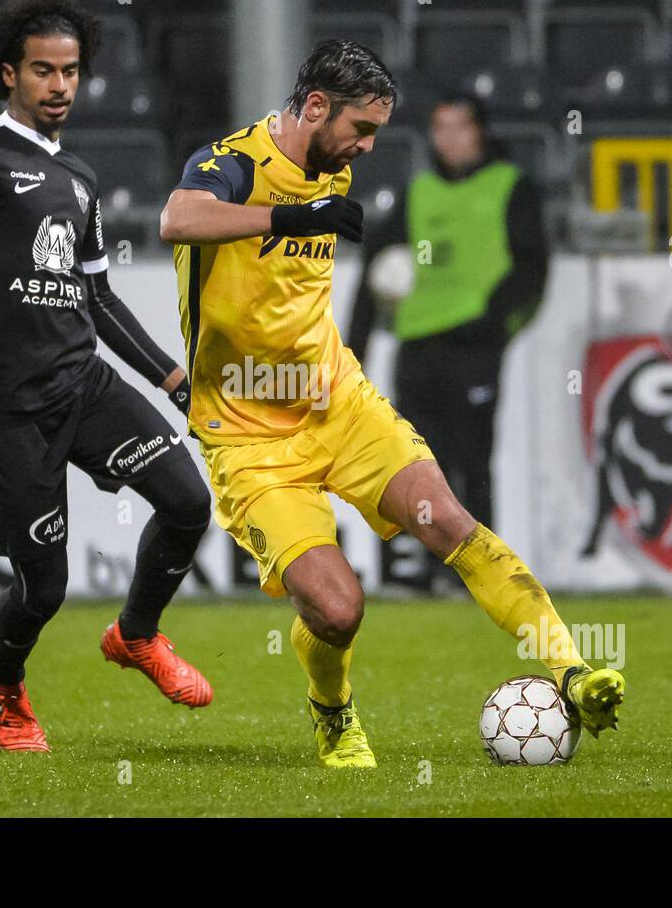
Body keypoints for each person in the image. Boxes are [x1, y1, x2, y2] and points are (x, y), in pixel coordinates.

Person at [159, 40, 623, 768]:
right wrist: (287, 219)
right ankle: (333, 711)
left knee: (454, 524)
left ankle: (572, 669)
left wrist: (312, 213)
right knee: (338, 608)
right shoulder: (232, 162)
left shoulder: (334, 166)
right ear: (315, 106)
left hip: (337, 403)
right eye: (360, 129)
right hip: (249, 434)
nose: (367, 149)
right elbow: (178, 219)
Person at [0, 0, 214, 753]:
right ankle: (4, 684)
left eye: (71, 71)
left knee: (188, 501)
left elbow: (97, 296)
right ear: (9, 74)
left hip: (82, 383)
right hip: (0, 404)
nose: (60, 85)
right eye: (43, 71)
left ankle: (137, 634)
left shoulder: (80, 177)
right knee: (45, 586)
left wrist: (173, 379)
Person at [346, 93, 549, 590]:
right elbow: (376, 271)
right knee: (414, 467)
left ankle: (480, 576)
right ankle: (422, 574)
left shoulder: (509, 187)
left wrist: (495, 323)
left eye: (460, 126)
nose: (451, 138)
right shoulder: (417, 194)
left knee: (472, 461)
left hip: (473, 348)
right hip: (417, 348)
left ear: (480, 131)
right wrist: (354, 353)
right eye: (441, 128)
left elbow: (532, 267)